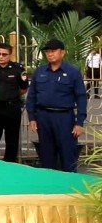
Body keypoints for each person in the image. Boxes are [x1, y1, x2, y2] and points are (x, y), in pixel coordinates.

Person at [26, 39, 87, 172]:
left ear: (62, 53)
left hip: (64, 118)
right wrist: (32, 117)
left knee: (68, 153)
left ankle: (70, 182)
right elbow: (32, 96)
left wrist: (80, 122)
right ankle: (49, 182)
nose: (50, 54)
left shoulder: (72, 72)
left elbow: (81, 97)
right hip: (43, 117)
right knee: (46, 154)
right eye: (48, 51)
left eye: (53, 51)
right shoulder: (40, 72)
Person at [0, 43, 28, 163]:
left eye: (4, 54)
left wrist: (10, 95)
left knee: (12, 140)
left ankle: (10, 165)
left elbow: (23, 88)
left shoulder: (18, 69)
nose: (1, 57)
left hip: (12, 109)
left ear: (10, 55)